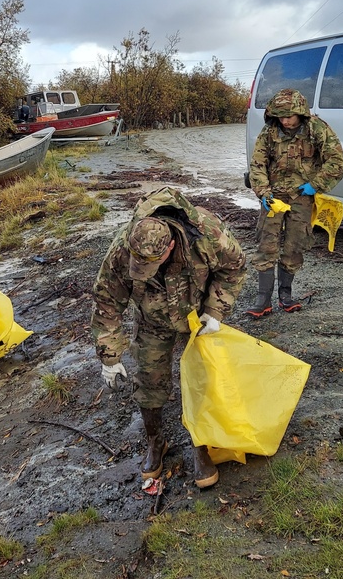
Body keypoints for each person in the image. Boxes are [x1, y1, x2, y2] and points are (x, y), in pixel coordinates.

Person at [91, 186, 246, 489]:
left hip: (196, 317)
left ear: (171, 246)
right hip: (152, 320)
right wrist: (109, 357)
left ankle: (201, 446)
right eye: (140, 266)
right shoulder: (123, 249)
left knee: (202, 381)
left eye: (152, 264)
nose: (145, 272)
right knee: (149, 380)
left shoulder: (207, 234)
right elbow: (107, 300)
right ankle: (155, 442)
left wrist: (215, 311)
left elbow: (234, 267)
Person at [246, 88, 343, 316]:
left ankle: (286, 295)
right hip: (274, 195)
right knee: (266, 243)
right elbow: (257, 165)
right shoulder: (269, 132)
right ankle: (263, 299)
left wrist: (315, 185)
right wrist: (263, 193)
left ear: (300, 113)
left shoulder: (317, 129)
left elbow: (337, 162)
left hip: (302, 195)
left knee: (295, 243)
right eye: (280, 116)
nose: (285, 121)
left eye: (289, 116)